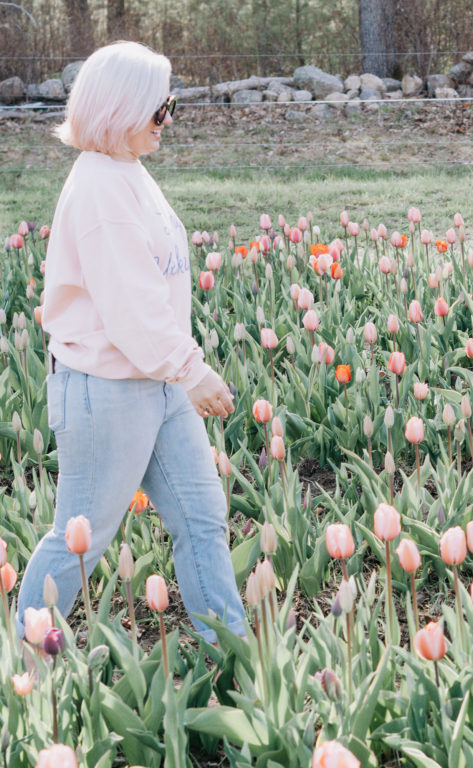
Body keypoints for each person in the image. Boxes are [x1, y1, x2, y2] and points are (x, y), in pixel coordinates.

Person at [15, 41, 247, 645]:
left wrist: (176, 372)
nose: (168, 120)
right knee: (79, 538)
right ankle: (23, 662)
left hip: (156, 382)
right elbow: (130, 308)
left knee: (202, 520)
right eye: (159, 108)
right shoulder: (100, 190)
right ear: (120, 110)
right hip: (108, 392)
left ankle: (234, 655)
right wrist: (191, 369)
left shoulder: (128, 172)